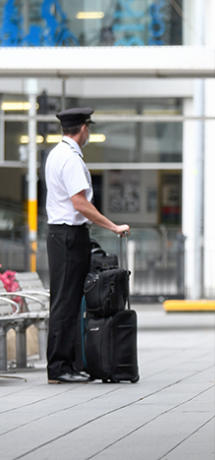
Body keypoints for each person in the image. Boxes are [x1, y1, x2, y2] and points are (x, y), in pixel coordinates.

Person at [44, 107, 130, 384]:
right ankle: (59, 367)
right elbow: (79, 203)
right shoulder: (70, 159)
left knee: (66, 301)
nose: (89, 132)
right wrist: (113, 226)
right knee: (66, 302)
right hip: (68, 235)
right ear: (82, 128)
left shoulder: (58, 153)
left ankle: (66, 364)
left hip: (63, 234)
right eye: (88, 128)